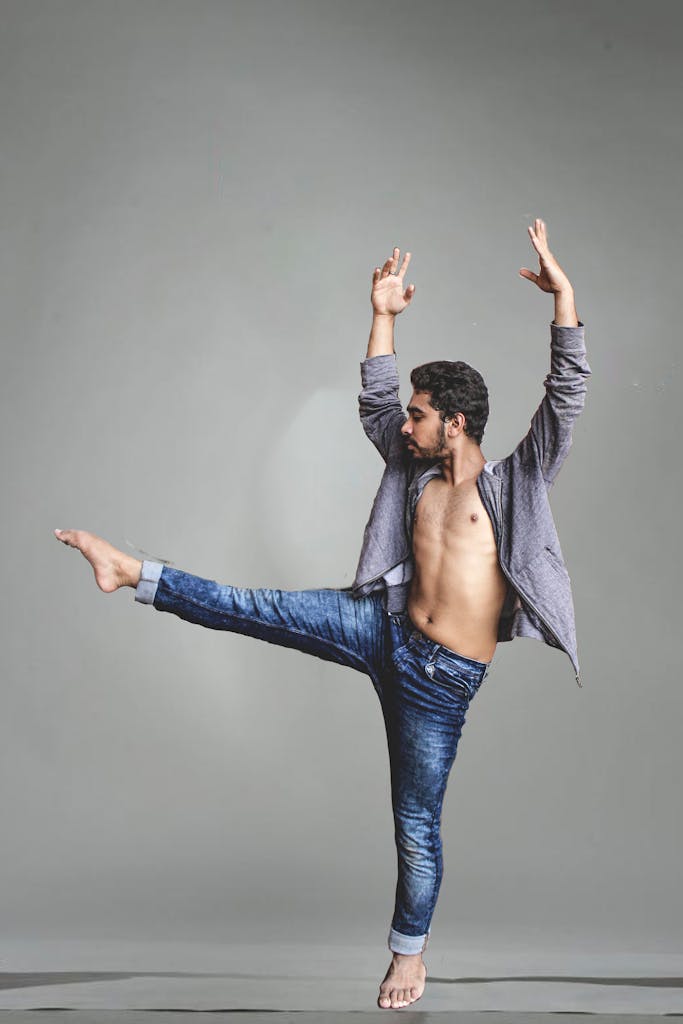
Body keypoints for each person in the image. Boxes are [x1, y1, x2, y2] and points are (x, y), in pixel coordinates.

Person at [54, 218, 591, 1010]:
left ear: (457, 421)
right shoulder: (410, 469)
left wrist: (565, 298)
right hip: (380, 624)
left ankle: (408, 958)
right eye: (407, 414)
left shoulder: (517, 484)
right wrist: (382, 315)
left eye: (418, 414)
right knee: (249, 607)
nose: (402, 424)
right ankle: (132, 571)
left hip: (443, 681)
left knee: (414, 826)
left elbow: (566, 395)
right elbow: (375, 398)